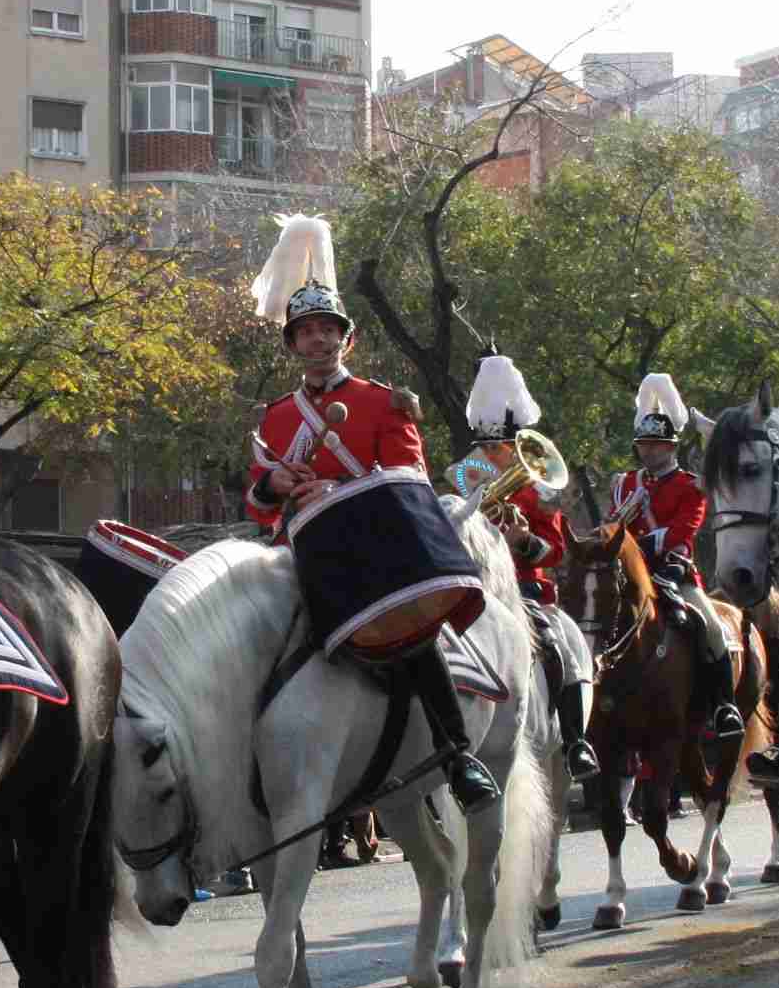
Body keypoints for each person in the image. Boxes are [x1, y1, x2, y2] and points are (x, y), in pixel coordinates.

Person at [242, 215, 498, 813]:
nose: (318, 342)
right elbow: (258, 508)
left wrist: (339, 492)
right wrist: (277, 484)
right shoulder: (276, 418)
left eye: (328, 331)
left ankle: (457, 754)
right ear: (292, 344)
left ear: (347, 340)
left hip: (377, 549)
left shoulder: (385, 402)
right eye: (305, 333)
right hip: (305, 550)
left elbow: (411, 484)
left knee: (408, 630)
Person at [462, 352, 600, 780]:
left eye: (499, 446)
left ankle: (576, 741)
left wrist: (524, 541)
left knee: (558, 642)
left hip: (525, 590)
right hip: (477, 587)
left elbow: (556, 549)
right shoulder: (466, 474)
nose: (491, 453)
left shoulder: (537, 487)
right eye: (485, 446)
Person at [607, 372, 746, 747]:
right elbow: (611, 529)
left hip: (674, 573)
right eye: (644, 444)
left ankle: (723, 706)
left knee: (710, 627)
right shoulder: (624, 484)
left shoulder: (690, 486)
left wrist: (637, 540)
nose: (649, 451)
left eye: (657, 445)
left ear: (671, 447)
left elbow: (681, 533)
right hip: (629, 576)